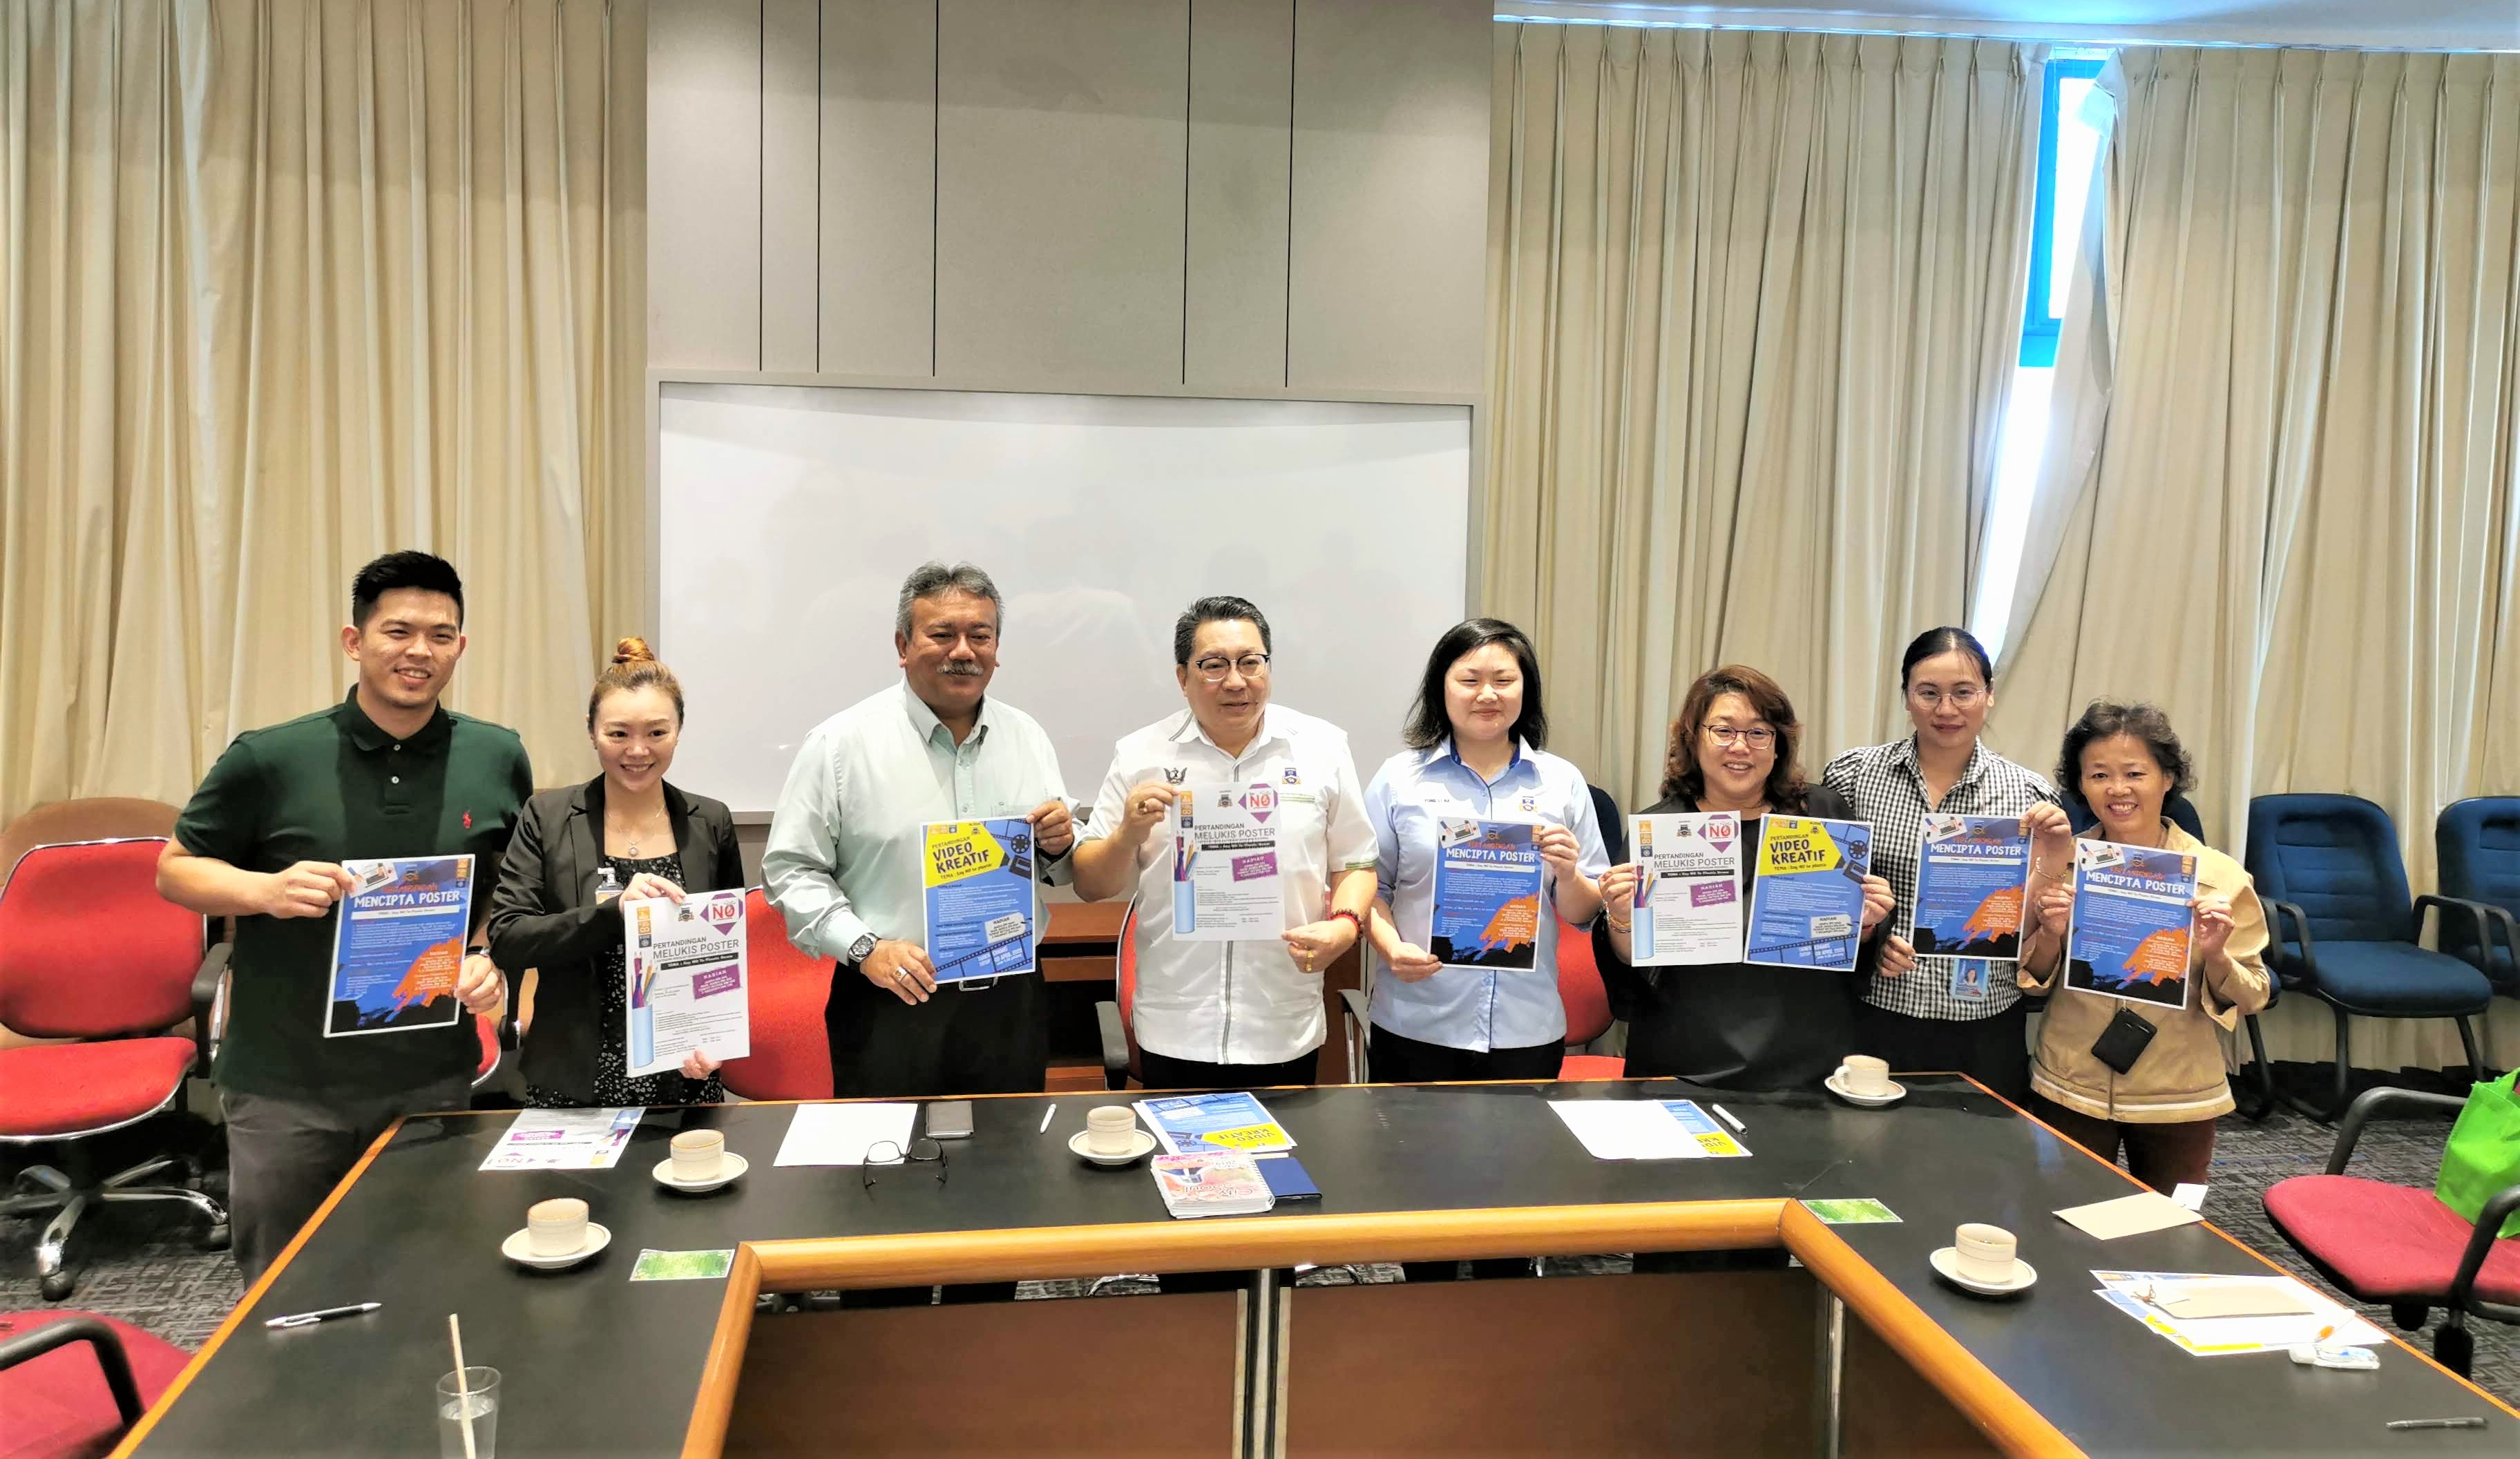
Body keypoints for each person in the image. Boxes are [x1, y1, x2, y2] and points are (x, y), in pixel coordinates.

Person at [157, 552, 528, 1282]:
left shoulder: (496, 755)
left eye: (440, 635)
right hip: (287, 1084)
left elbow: (506, 884)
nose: (419, 651)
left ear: (460, 648)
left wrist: (485, 953)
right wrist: (263, 891)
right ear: (354, 641)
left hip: (431, 1074)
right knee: (285, 1290)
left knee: (425, 1277)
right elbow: (174, 870)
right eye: (398, 631)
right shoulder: (270, 757)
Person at [764, 561, 1076, 1103]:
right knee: (886, 1153)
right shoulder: (840, 745)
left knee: (1012, 1151)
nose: (964, 651)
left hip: (1010, 1000)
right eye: (942, 634)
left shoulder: (1027, 736)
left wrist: (1060, 842)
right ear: (903, 645)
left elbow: (1055, 860)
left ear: (997, 648)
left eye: (980, 636)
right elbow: (791, 870)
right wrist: (865, 949)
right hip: (891, 996)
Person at [1363, 619, 1607, 1282]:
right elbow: (1368, 886)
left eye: (1504, 679)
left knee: (1511, 1212)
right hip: (1419, 1019)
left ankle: (1504, 1327)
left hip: (1526, 1028)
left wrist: (1568, 872)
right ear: (1440, 688)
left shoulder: (1561, 782)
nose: (1487, 694)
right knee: (1422, 1213)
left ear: (1527, 690)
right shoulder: (1399, 779)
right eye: (1469, 679)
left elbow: (1583, 911)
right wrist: (1389, 945)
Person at [1072, 596, 1378, 1089]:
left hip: (1283, 1021)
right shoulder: (1139, 754)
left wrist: (1345, 927)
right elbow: (1091, 884)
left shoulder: (1322, 748)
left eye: (1250, 662)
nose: (1236, 681)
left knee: (1285, 1144)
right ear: (1183, 677)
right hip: (1176, 1025)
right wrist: (1128, 834)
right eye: (1214, 665)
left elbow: (1356, 861)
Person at [1593, 667, 1896, 1090]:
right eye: (1723, 731)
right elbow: (1632, 962)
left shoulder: (1823, 814)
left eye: (1758, 733)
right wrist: (1622, 917)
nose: (1741, 747)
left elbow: (1856, 941)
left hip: (1805, 1061)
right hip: (1685, 1059)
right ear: (1693, 738)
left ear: (1778, 744)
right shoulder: (1659, 830)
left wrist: (1867, 923)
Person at [2018, 701, 2269, 1192]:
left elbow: (2253, 993)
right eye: (2099, 775)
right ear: (2081, 785)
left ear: (2168, 778)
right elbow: (2031, 981)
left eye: (2135, 773)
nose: (2117, 789)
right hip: (2071, 1080)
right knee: (2064, 1213)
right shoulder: (2061, 864)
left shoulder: (2219, 877)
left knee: (2174, 1224)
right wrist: (2050, 932)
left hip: (2179, 1090)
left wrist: (2217, 954)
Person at [486, 639, 745, 1109]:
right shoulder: (547, 817)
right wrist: (613, 915)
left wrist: (716, 1038)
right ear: (591, 730)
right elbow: (509, 938)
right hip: (573, 1074)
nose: (638, 750)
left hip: (683, 1070)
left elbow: (727, 952)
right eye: (618, 734)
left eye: (657, 733)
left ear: (679, 731)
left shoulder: (710, 821)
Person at [1822, 627, 2072, 1103]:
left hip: (1983, 1018)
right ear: (1906, 697)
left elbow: (2030, 927)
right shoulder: (1854, 776)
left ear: (1989, 695)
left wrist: (2056, 850)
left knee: (1983, 1149)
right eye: (1929, 693)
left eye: (1963, 692)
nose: (1946, 709)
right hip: (1877, 1010)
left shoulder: (2028, 794)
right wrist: (1870, 940)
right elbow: (1823, 890)